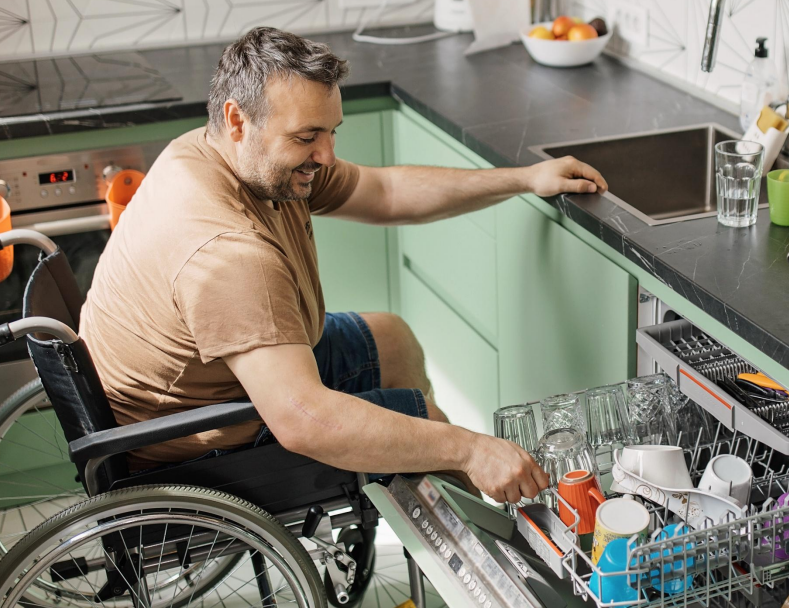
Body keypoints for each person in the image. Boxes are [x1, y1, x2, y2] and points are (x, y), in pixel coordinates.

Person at [80, 26, 607, 506]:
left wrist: (522, 179)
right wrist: (470, 449)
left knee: (391, 338)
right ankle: (490, 552)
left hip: (216, 383)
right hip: (184, 442)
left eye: (332, 132)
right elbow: (305, 421)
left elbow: (386, 191)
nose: (326, 155)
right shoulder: (227, 252)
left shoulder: (225, 153)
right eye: (308, 137)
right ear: (238, 120)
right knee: (425, 424)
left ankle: (465, 512)